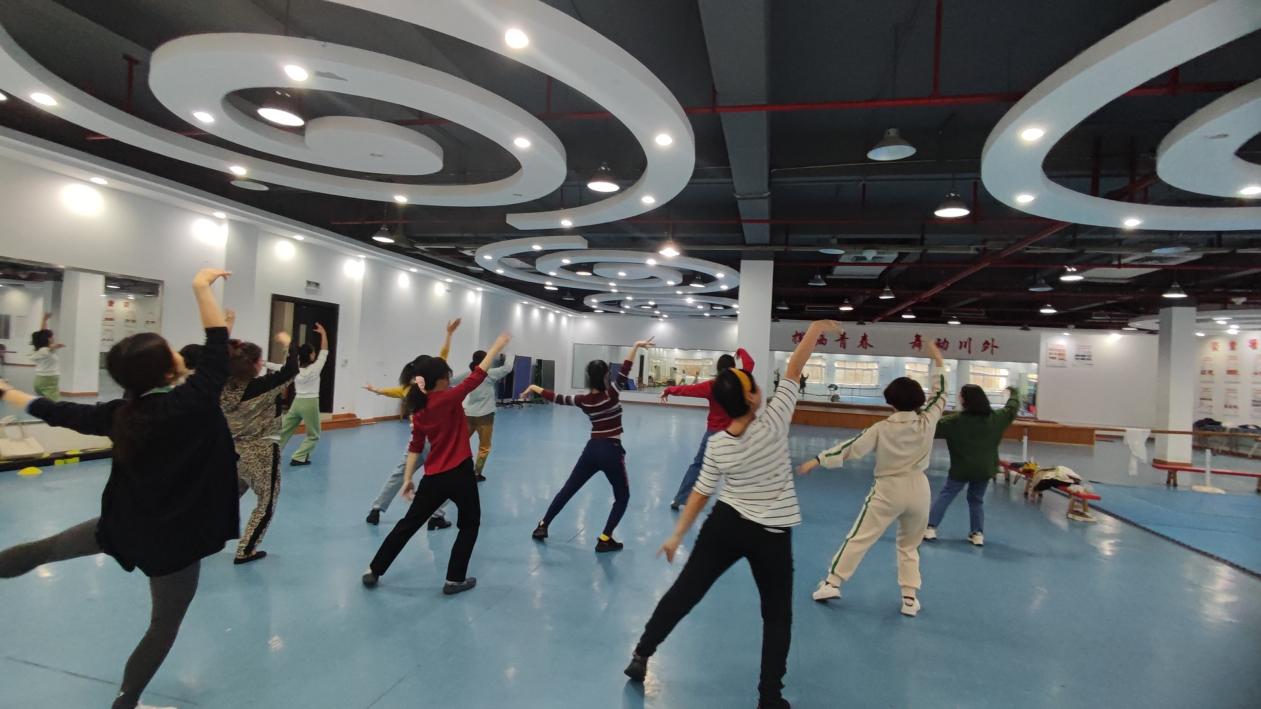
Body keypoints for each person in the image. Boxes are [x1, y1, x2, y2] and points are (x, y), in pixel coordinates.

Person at [0, 268, 239, 709]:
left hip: (121, 526)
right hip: (175, 543)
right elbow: (216, 342)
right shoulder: (196, 400)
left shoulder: (119, 414)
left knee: (46, 550)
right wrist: (200, 287)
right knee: (163, 625)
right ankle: (127, 702)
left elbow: (56, 411)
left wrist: (8, 393)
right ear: (169, 369)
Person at [624, 321, 841, 709]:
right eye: (754, 384)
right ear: (753, 397)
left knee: (686, 591)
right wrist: (814, 329)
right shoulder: (775, 421)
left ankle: (641, 653)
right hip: (772, 534)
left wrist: (677, 535)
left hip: (726, 525)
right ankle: (769, 697)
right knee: (777, 616)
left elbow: (701, 493)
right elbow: (795, 366)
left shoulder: (719, 445)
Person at [798, 341, 946, 617]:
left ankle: (832, 583)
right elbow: (940, 393)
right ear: (918, 401)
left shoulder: (881, 428)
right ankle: (909, 599)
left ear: (890, 402)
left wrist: (817, 460)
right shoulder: (927, 421)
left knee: (860, 537)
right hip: (919, 489)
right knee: (909, 546)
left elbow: (850, 448)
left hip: (888, 489)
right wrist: (937, 358)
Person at [362, 331, 512, 595]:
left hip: (433, 478)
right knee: (470, 524)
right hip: (461, 473)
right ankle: (454, 579)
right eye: (447, 376)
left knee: (408, 524)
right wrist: (497, 345)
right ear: (441, 380)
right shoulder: (448, 397)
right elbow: (478, 375)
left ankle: (374, 569)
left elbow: (415, 446)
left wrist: (408, 479)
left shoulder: (419, 408)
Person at [524, 338, 652, 552]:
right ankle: (605, 538)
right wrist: (636, 346)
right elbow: (626, 368)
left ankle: (543, 525)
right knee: (622, 496)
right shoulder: (612, 393)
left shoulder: (583, 400)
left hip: (592, 450)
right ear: (606, 376)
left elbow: (557, 398)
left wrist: (534, 386)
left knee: (569, 488)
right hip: (611, 450)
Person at [361, 319, 460, 528]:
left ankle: (376, 509)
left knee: (398, 475)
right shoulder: (435, 385)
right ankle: (437, 515)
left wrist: (375, 389)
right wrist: (449, 334)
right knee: (450, 479)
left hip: (416, 441)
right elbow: (443, 354)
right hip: (437, 443)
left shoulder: (407, 388)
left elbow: (388, 391)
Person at [222, 326, 299, 564]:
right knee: (267, 500)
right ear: (256, 365)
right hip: (261, 451)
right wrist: (288, 344)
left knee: (227, 496)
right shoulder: (263, 387)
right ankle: (247, 549)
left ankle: (198, 535)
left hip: (233, 450)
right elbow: (291, 370)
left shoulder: (222, 386)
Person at [924, 385, 1020, 546]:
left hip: (960, 469)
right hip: (984, 469)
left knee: (946, 496)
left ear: (964, 401)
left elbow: (927, 428)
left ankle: (930, 528)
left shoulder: (953, 422)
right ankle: (977, 534)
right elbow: (1012, 408)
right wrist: (1014, 393)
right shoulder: (996, 419)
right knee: (976, 500)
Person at [660, 348, 754, 510]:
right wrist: (741, 351)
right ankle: (743, 504)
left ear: (718, 368)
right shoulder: (741, 382)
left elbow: (687, 390)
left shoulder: (712, 385)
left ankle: (679, 499)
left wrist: (669, 390)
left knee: (697, 465)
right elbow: (750, 363)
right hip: (734, 433)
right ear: (733, 368)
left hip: (713, 433)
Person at [450, 346, 514, 482]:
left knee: (460, 442)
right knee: (484, 447)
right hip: (486, 416)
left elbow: (451, 381)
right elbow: (508, 368)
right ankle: (477, 473)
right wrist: (509, 352)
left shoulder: (469, 374)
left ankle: (453, 468)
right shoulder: (489, 373)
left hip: (469, 415)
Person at [277, 323, 329, 466]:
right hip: (310, 403)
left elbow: (279, 367)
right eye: (313, 352)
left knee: (285, 430)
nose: (315, 354)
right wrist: (323, 333)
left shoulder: (295, 369)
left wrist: (263, 363)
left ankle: (271, 455)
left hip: (297, 402)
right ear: (311, 355)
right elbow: (325, 351)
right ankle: (299, 457)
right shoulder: (315, 368)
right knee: (314, 434)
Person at [30, 313, 65, 401]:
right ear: (49, 339)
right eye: (52, 336)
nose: (53, 338)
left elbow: (42, 334)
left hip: (39, 380)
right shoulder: (45, 350)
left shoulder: (37, 350)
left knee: (43, 404)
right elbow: (48, 348)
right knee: (54, 404)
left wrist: (44, 320)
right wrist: (56, 346)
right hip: (49, 381)